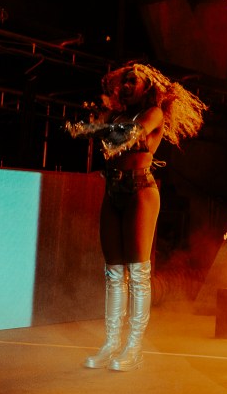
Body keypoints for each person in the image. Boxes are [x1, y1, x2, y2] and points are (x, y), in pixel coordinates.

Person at [67, 62, 206, 371]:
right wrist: (84, 127)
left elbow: (128, 134)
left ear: (148, 88)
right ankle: (111, 343)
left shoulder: (152, 114)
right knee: (114, 273)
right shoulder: (116, 116)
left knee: (138, 273)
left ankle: (134, 348)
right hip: (113, 190)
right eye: (124, 81)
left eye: (133, 81)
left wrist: (96, 129)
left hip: (141, 190)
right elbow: (98, 131)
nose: (126, 86)